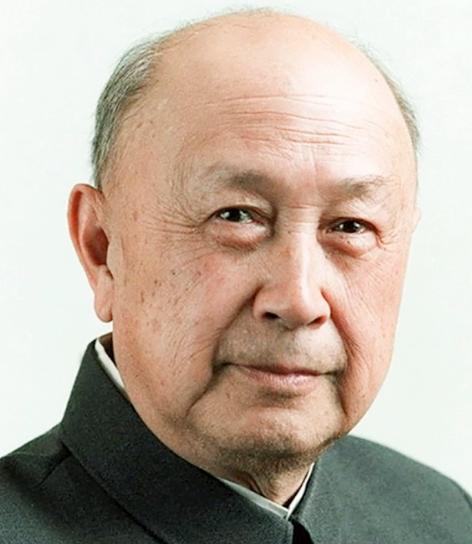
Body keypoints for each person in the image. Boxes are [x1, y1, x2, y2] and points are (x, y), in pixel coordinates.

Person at [0, 8, 470, 543]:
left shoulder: (442, 519)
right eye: (237, 215)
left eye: (350, 226)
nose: (298, 300)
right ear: (102, 249)